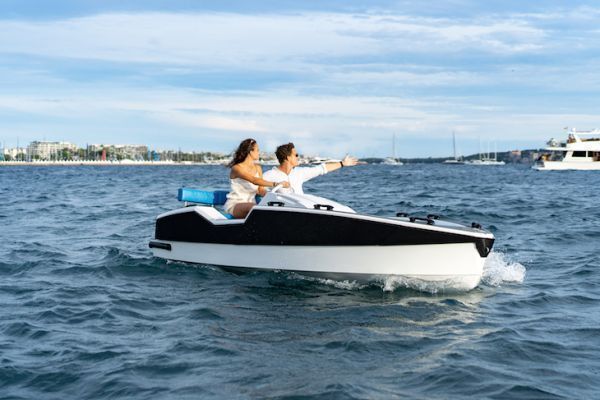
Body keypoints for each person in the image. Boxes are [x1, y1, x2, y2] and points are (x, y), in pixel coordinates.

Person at [223, 138, 289, 219]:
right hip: (235, 205)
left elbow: (260, 190)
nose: (259, 153)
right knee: (254, 208)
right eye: (257, 150)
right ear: (251, 152)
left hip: (252, 205)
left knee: (268, 208)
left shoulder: (258, 168)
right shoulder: (237, 168)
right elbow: (254, 180)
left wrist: (275, 197)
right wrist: (276, 184)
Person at [262, 142, 358, 194]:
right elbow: (258, 192)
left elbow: (321, 168)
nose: (298, 157)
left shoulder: (299, 173)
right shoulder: (268, 176)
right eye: (296, 155)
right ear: (288, 157)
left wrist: (342, 163)